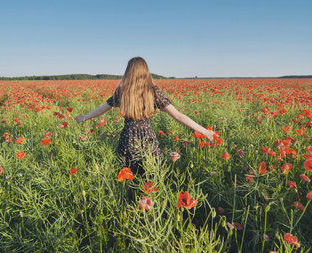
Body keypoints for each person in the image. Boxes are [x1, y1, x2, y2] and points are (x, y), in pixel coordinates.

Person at [76, 57, 215, 175]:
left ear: (128, 72)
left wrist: (85, 117)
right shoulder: (153, 92)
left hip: (127, 138)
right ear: (146, 72)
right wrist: (204, 131)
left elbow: (103, 108)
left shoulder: (122, 92)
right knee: (150, 176)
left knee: (128, 176)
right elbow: (178, 116)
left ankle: (130, 202)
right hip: (147, 139)